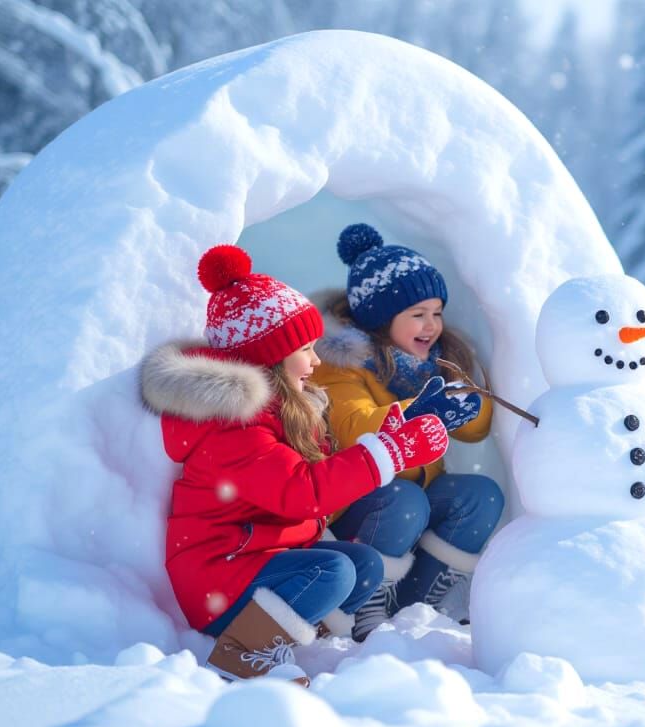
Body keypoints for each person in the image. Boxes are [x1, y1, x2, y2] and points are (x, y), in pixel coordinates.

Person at [141, 244, 449, 684]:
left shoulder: (281, 410)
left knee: (362, 564)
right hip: (217, 579)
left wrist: (386, 440)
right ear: (271, 354)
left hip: (255, 560)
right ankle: (244, 655)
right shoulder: (235, 427)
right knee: (333, 570)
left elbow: (307, 481)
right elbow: (302, 491)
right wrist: (388, 454)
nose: (317, 360)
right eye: (306, 348)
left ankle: (292, 636)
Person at [312, 223, 503, 639]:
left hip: (415, 498)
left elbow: (477, 431)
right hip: (365, 503)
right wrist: (422, 411)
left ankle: (423, 601)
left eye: (436, 312)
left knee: (479, 495)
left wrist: (462, 407)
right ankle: (365, 602)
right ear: (380, 319)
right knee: (406, 497)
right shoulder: (339, 362)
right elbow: (352, 428)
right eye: (417, 314)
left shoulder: (436, 361)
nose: (431, 325)